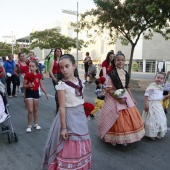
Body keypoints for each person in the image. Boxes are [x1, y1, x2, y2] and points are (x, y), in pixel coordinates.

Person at [42, 54, 91, 170]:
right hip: (68, 117)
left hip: (80, 117)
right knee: (70, 143)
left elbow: (80, 101)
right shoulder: (62, 85)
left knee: (81, 141)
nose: (64, 70)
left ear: (74, 66)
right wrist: (64, 128)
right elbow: (62, 107)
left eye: (66, 66)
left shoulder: (80, 81)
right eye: (61, 67)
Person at [98, 52, 145, 146]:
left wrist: (132, 98)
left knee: (127, 117)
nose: (120, 62)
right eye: (118, 60)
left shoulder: (126, 73)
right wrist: (118, 99)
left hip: (125, 96)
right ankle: (113, 138)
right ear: (114, 62)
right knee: (114, 116)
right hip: (114, 97)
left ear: (125, 61)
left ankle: (124, 138)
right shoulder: (112, 74)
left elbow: (127, 87)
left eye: (122, 60)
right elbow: (108, 89)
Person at [23, 60, 48, 133]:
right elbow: (24, 86)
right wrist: (28, 85)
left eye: (33, 66)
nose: (31, 68)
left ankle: (36, 123)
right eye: (30, 66)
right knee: (30, 110)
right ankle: (29, 125)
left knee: (36, 109)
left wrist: (46, 93)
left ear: (36, 67)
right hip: (29, 92)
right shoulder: (27, 75)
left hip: (36, 92)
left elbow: (41, 85)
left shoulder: (38, 75)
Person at [142, 72, 169, 140]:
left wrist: (167, 96)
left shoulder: (160, 87)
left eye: (161, 78)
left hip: (158, 104)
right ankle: (151, 134)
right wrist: (146, 104)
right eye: (158, 77)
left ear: (163, 80)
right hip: (151, 104)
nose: (159, 79)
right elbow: (146, 95)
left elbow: (160, 97)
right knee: (152, 119)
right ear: (154, 78)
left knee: (159, 119)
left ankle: (156, 132)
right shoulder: (151, 86)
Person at [49, 47, 64, 113]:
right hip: (55, 76)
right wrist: (53, 78)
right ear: (55, 52)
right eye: (57, 51)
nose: (58, 52)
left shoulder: (63, 59)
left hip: (62, 76)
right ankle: (58, 106)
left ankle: (62, 105)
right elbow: (50, 70)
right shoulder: (53, 60)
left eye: (59, 51)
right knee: (58, 91)